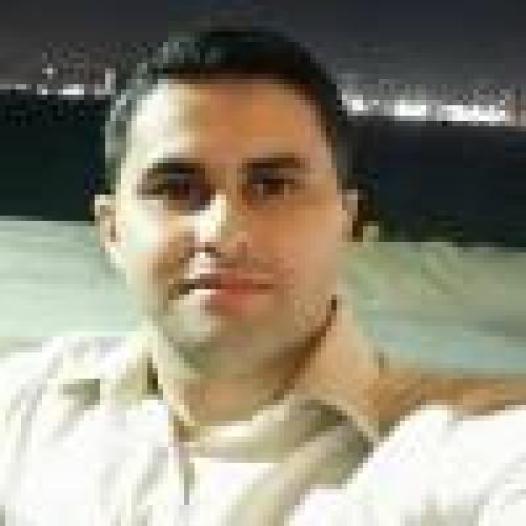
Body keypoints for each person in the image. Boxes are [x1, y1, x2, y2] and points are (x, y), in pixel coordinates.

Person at [1, 27, 525, 525]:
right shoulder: (30, 406)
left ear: (345, 223)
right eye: (177, 188)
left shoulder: (459, 450)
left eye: (273, 186)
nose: (223, 233)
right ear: (112, 231)